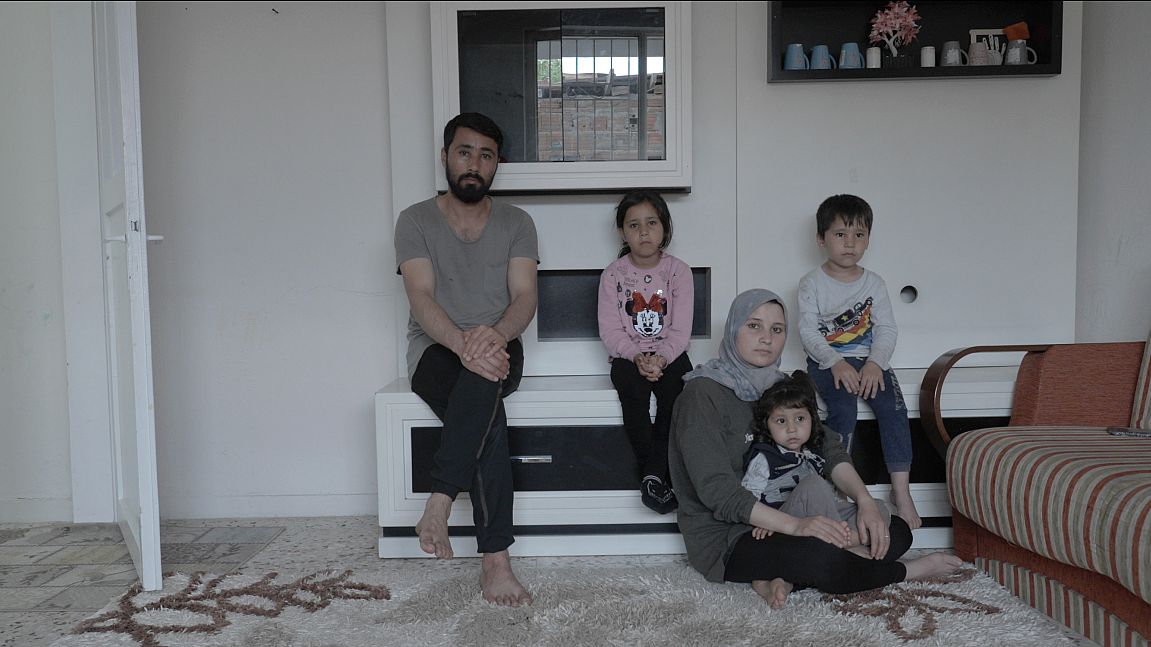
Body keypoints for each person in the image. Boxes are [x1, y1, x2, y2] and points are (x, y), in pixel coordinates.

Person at [668, 289, 961, 609]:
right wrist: (798, 526)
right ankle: (906, 571)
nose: (766, 338)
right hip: (730, 536)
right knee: (822, 558)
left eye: (777, 329)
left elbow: (828, 446)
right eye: (753, 326)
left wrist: (864, 502)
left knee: (894, 529)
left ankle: (786, 576)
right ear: (733, 329)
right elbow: (717, 492)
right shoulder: (701, 394)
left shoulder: (781, 387)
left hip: (793, 510)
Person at [394, 112, 538, 607]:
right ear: (445, 157)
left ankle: (438, 500)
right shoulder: (415, 220)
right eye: (464, 152)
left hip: (501, 343)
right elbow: (420, 296)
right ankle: (496, 560)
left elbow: (525, 297)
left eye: (486, 155)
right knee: (486, 411)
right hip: (434, 348)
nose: (474, 164)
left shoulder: (517, 222)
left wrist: (492, 337)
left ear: (497, 164)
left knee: (481, 383)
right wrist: (463, 345)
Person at [797, 194, 921, 529]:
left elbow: (887, 329)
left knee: (893, 409)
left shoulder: (874, 283)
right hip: (828, 362)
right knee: (843, 409)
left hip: (869, 361)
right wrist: (834, 361)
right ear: (821, 239)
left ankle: (901, 490)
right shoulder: (811, 283)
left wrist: (875, 363)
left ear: (868, 239)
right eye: (840, 234)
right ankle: (841, 486)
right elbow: (808, 331)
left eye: (859, 235)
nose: (850, 243)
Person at [597, 190, 693, 514]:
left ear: (664, 226)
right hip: (628, 356)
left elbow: (680, 331)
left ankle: (652, 476)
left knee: (675, 399)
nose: (643, 232)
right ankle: (658, 476)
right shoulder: (613, 275)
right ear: (622, 232)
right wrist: (637, 357)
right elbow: (611, 331)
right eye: (634, 225)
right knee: (633, 396)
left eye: (651, 223)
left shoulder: (679, 272)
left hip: (671, 354)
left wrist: (661, 358)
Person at [742, 371, 891, 554]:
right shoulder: (765, 457)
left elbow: (827, 499)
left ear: (812, 420)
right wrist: (764, 521)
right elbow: (748, 496)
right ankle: (845, 549)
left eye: (800, 419)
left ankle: (849, 541)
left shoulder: (814, 452)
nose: (791, 429)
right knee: (813, 484)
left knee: (878, 507)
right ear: (767, 425)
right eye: (781, 421)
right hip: (786, 520)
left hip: (822, 518)